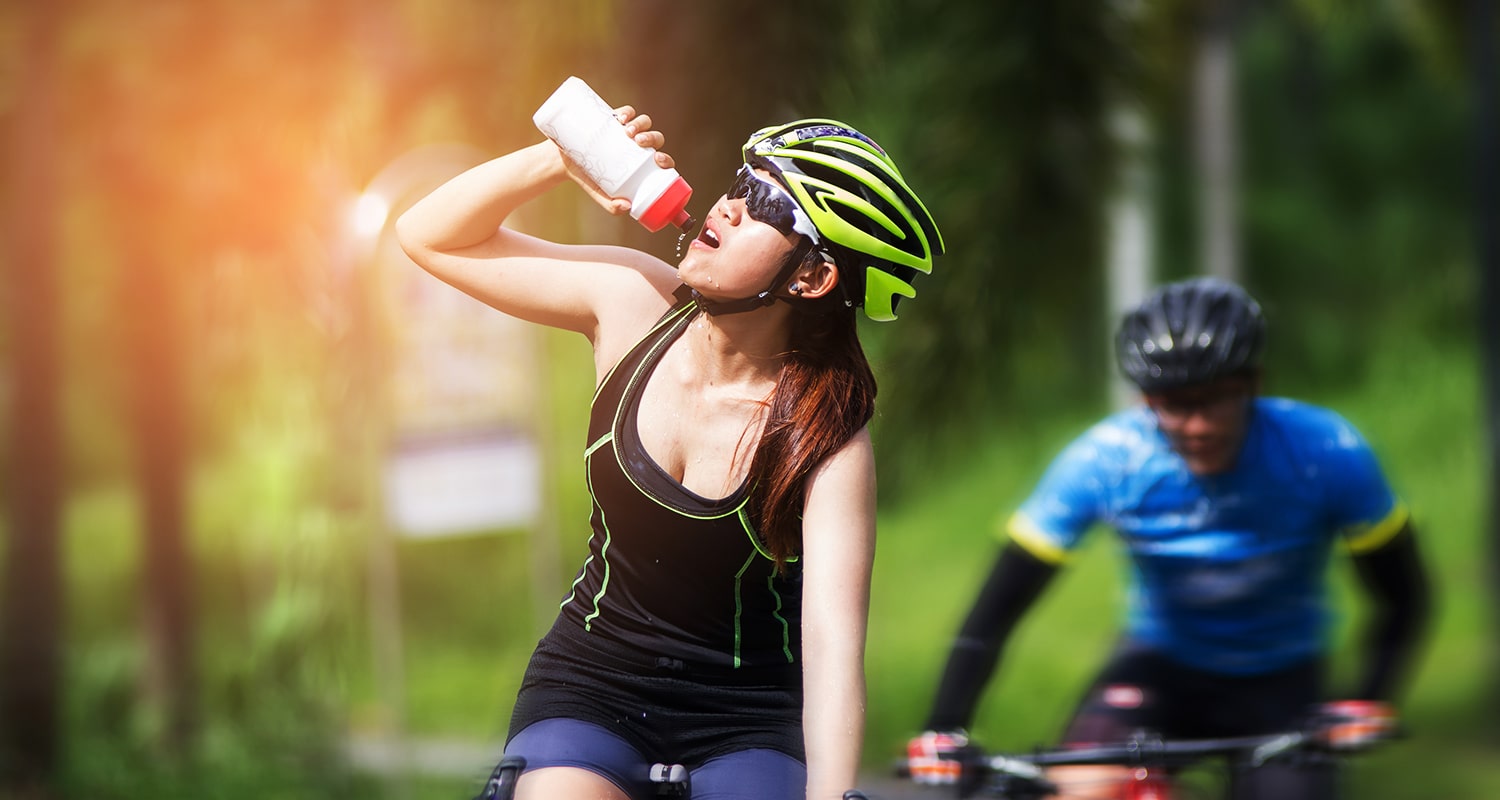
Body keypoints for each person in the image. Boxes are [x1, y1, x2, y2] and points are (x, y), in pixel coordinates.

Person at [397, 102, 944, 800]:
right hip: (591, 685)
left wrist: (834, 797)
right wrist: (559, 160)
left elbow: (833, 652)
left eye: (766, 203)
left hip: (745, 721)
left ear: (810, 279)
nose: (731, 206)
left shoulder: (828, 438)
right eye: (740, 183)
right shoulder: (631, 303)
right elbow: (427, 237)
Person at [905, 277, 1430, 799]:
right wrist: (944, 728)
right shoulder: (1106, 462)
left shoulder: (1328, 452)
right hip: (1158, 670)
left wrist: (1368, 697)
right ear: (1146, 398)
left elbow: (1404, 596)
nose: (1197, 426)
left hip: (1281, 682)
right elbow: (996, 612)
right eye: (1176, 404)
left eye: (1217, 400)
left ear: (1253, 383)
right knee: (1077, 791)